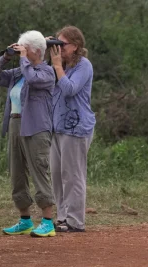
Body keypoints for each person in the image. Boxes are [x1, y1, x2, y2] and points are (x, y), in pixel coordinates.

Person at [0, 30, 56, 237]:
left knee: (39, 170)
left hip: (37, 127)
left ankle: (48, 221)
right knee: (17, 173)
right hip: (15, 124)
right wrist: (5, 56)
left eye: (25, 48)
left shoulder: (47, 72)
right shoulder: (18, 72)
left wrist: (23, 59)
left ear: (36, 51)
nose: (22, 51)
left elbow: (33, 79)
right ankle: (25, 220)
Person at [48, 26, 95, 232]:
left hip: (76, 128)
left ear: (75, 46)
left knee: (72, 175)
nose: (59, 49)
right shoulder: (61, 65)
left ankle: (75, 221)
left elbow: (69, 90)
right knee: (57, 174)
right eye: (57, 44)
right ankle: (62, 217)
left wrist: (58, 66)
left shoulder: (83, 65)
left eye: (63, 44)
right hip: (57, 127)